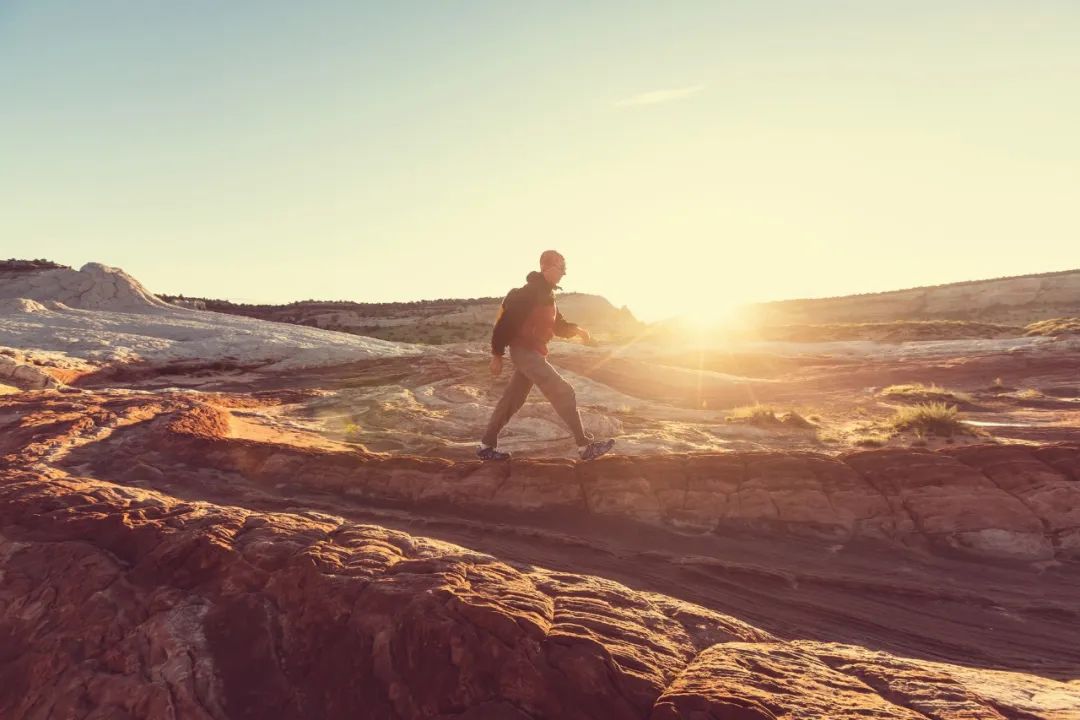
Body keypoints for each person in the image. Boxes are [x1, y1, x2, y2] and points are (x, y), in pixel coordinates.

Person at [478, 250, 616, 461]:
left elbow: (558, 325)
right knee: (563, 391)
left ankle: (486, 446)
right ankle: (584, 446)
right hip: (524, 352)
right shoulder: (529, 293)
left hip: (534, 353)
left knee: (512, 400)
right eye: (561, 268)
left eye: (565, 269)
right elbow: (505, 325)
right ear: (545, 267)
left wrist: (577, 331)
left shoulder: (548, 295)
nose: (564, 273)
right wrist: (496, 355)